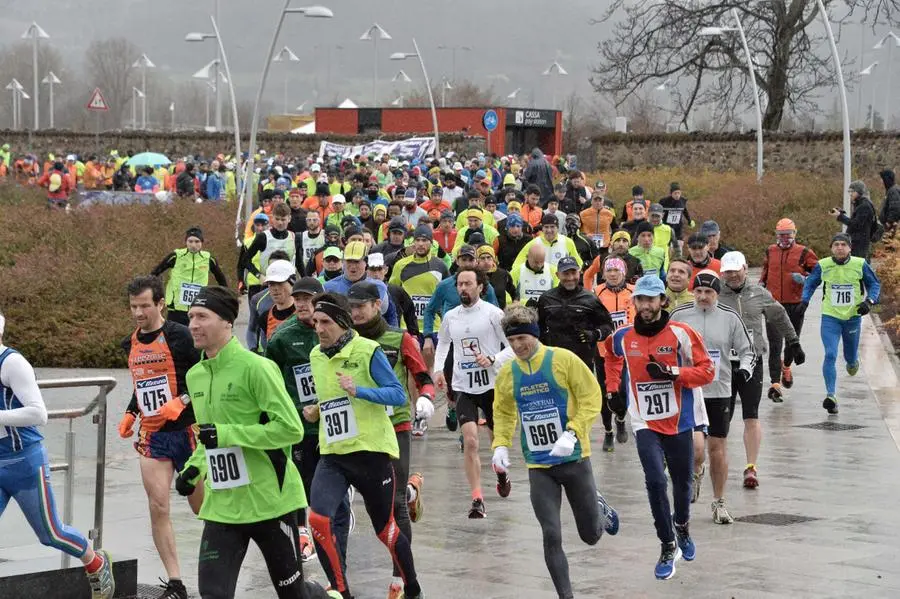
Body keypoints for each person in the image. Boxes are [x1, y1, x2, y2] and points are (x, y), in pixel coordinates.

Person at [173, 286, 332, 599]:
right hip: (224, 506)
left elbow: (290, 429)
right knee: (213, 594)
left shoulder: (257, 368)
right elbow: (209, 437)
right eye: (191, 317)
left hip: (271, 503)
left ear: (227, 322)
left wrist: (229, 434)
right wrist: (194, 468)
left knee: (295, 595)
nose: (193, 324)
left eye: (202, 316)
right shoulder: (196, 376)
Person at [491, 304, 619, 599]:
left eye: (522, 338)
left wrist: (573, 431)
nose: (518, 346)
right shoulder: (508, 373)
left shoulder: (563, 360)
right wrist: (500, 443)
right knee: (551, 533)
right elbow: (503, 411)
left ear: (535, 335)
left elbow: (591, 398)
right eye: (511, 341)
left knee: (590, 536)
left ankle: (599, 509)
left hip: (574, 458)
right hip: (539, 464)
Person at [304, 293, 424, 599]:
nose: (319, 328)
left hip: (370, 453)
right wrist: (318, 409)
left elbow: (398, 395)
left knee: (386, 531)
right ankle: (341, 591)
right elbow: (332, 399)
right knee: (318, 518)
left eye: (326, 322)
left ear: (342, 323)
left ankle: (412, 587)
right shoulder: (316, 355)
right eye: (315, 322)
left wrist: (360, 390)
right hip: (333, 453)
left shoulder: (368, 350)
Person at [604, 275, 715, 580]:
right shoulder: (624, 336)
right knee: (654, 480)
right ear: (634, 302)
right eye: (641, 299)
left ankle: (682, 526)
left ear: (663, 301)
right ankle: (667, 543)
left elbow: (707, 371)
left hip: (679, 419)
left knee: (682, 482)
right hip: (644, 421)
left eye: (652, 299)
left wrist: (674, 372)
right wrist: (613, 389)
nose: (646, 305)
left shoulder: (682, 333)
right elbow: (610, 354)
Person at [0, 310, 115, 599]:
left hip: (25, 462)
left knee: (51, 533)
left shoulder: (12, 363)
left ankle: (96, 562)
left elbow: (39, 414)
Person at [347, 281, 434, 597]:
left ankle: (400, 577)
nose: (355, 312)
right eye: (351, 307)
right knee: (374, 507)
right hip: (358, 428)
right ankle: (411, 489)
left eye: (361, 306)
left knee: (394, 506)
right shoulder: (346, 341)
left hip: (394, 427)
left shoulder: (400, 338)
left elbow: (422, 376)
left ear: (377, 305)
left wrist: (425, 397)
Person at [119, 276, 202, 599]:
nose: (138, 313)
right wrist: (131, 412)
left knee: (204, 510)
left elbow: (205, 376)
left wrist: (180, 401)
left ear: (160, 304)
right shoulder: (131, 343)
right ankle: (176, 582)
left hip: (188, 433)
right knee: (158, 505)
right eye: (133, 307)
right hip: (153, 437)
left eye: (144, 306)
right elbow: (141, 385)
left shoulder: (181, 336)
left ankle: (219, 567)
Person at [264, 277, 345, 568]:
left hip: (334, 420)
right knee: (303, 480)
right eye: (296, 298)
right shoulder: (283, 337)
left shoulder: (336, 332)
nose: (300, 304)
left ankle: (335, 522)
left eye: (306, 298)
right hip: (300, 423)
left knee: (334, 478)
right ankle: (303, 534)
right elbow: (268, 374)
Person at [670, 271, 755, 523]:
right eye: (698, 291)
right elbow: (664, 348)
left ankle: (718, 502)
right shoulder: (679, 315)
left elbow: (748, 350)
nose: (703, 297)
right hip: (688, 390)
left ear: (717, 294)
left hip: (719, 390)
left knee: (717, 448)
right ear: (692, 291)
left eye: (709, 292)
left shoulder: (730, 317)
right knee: (695, 448)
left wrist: (744, 370)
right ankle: (695, 470)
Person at [719, 251, 804, 489]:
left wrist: (794, 342)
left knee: (751, 415)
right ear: (722, 273)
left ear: (746, 268)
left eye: (737, 270)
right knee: (721, 417)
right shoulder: (714, 295)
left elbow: (780, 315)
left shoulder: (759, 294)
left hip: (752, 361)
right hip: (723, 364)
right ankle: (718, 460)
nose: (733, 275)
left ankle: (751, 467)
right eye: (728, 271)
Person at [433, 269, 510, 518]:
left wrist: (492, 359)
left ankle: (501, 473)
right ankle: (477, 499)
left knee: (497, 443)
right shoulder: (451, 316)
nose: (463, 288)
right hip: (463, 385)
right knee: (471, 441)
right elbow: (443, 342)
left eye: (468, 283)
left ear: (480, 287)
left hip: (491, 386)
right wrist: (437, 370)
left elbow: (512, 347)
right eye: (460, 284)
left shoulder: (493, 314)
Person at [801, 233, 881, 414]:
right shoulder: (823, 265)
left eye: (843, 244)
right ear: (831, 248)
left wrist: (869, 302)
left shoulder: (860, 264)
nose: (839, 247)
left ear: (850, 248)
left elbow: (875, 285)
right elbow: (811, 283)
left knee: (850, 358)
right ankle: (831, 396)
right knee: (830, 354)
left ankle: (853, 363)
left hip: (852, 317)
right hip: (830, 317)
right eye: (836, 244)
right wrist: (805, 300)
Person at [759, 219, 819, 401]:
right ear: (776, 235)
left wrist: (805, 278)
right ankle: (775, 384)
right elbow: (766, 271)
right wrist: (761, 285)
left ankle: (786, 366)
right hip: (773, 304)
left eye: (788, 234)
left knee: (793, 342)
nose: (785, 238)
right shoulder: (771, 251)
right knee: (775, 344)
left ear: (795, 234)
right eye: (781, 235)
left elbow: (818, 273)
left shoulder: (804, 252)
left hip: (795, 303)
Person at [592, 258, 636, 452]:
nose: (612, 274)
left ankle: (620, 418)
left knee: (624, 391)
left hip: (627, 349)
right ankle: (608, 430)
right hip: (603, 349)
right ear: (603, 274)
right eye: (609, 270)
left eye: (616, 270)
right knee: (604, 393)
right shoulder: (597, 292)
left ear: (623, 273)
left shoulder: (634, 292)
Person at [151, 227, 228, 326]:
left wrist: (226, 297)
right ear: (186, 242)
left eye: (197, 241)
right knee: (175, 337)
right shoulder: (176, 256)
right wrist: (154, 294)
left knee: (196, 338)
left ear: (202, 242)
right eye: (190, 241)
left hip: (198, 306)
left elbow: (220, 278)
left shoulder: (208, 259)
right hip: (176, 306)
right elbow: (155, 273)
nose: (193, 245)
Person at [389, 224, 450, 331]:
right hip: (407, 327)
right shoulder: (400, 265)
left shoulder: (440, 266)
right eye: (417, 240)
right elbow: (392, 293)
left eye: (424, 240)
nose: (421, 244)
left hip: (433, 327)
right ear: (413, 242)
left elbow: (448, 296)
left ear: (431, 243)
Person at [323, 240, 398, 326]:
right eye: (349, 261)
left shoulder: (379, 286)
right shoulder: (328, 288)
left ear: (365, 262)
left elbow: (391, 317)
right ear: (343, 261)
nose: (353, 266)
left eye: (356, 261)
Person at [514, 214, 583, 270]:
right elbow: (517, 265)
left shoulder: (567, 242)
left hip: (561, 283)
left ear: (557, 228)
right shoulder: (534, 243)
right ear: (542, 228)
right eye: (546, 227)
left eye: (552, 227)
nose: (549, 230)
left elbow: (578, 263)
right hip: (541, 283)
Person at [832, 180, 878, 260]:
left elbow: (856, 225)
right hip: (859, 241)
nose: (850, 194)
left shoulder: (864, 206)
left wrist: (840, 216)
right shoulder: (861, 204)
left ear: (858, 192)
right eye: (849, 192)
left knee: (860, 266)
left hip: (860, 243)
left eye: (852, 191)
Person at [513, 243, 559, 307]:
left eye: (542, 261)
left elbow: (558, 295)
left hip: (547, 311)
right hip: (523, 312)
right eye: (536, 262)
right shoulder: (516, 272)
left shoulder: (554, 271)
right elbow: (508, 297)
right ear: (527, 257)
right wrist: (526, 302)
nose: (539, 265)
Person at [659, 182, 695, 251]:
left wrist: (689, 221)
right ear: (671, 193)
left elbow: (685, 211)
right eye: (675, 193)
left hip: (678, 227)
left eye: (679, 193)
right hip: (667, 227)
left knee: (679, 245)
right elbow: (658, 211)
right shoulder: (664, 201)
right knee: (669, 247)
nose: (677, 195)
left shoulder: (682, 201)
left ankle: (679, 258)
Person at [879, 169, 900, 236]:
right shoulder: (890, 190)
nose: (881, 181)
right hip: (890, 227)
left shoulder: (893, 191)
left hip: (892, 228)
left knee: (890, 245)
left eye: (882, 179)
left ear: (886, 179)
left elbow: (895, 208)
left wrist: (889, 222)